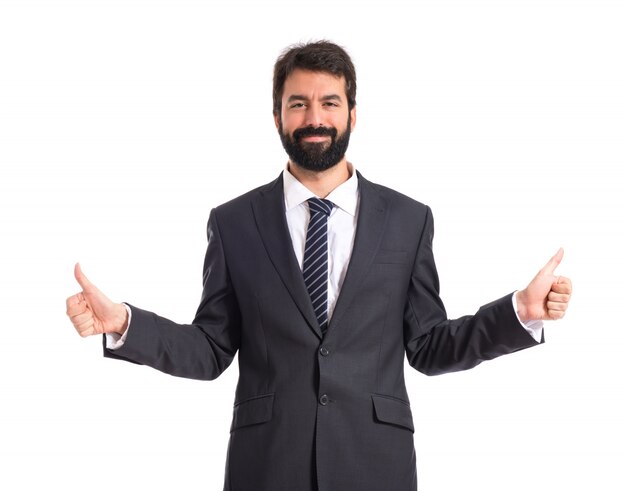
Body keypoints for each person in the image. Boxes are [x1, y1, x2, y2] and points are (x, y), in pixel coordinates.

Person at [65, 41, 572, 491]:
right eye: (298, 103)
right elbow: (211, 348)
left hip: (376, 461)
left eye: (330, 102)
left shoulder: (409, 220)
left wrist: (519, 313)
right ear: (277, 116)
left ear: (353, 114)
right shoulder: (235, 222)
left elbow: (428, 345)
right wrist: (124, 325)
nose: (314, 117)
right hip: (266, 463)